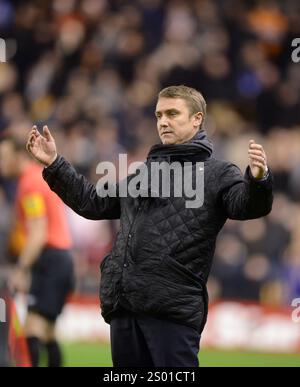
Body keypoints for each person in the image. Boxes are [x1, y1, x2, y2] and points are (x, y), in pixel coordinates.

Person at [26, 85, 273, 367]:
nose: (163, 121)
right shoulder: (143, 173)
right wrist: (55, 164)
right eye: (158, 115)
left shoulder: (218, 173)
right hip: (124, 306)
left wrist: (259, 180)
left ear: (197, 119)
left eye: (172, 113)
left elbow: (248, 206)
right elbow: (93, 203)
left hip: (171, 310)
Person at [0, 135, 74, 367]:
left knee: (33, 328)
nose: (1, 163)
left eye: (3, 157)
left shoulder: (29, 183)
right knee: (48, 332)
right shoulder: (38, 178)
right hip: (62, 258)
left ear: (19, 156)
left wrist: (21, 269)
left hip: (50, 260)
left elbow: (38, 232)